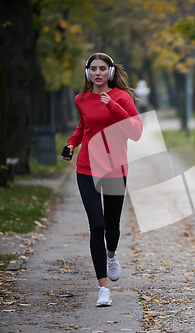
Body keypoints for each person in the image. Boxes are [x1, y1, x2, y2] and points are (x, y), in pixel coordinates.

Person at [63, 53, 143, 307]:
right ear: (88, 73)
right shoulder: (82, 99)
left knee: (112, 225)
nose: (98, 73)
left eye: (102, 69)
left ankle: (112, 255)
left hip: (114, 169)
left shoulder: (122, 98)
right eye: (93, 69)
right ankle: (103, 289)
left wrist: (112, 105)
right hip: (86, 168)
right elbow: (84, 125)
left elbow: (136, 132)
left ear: (109, 72)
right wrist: (71, 144)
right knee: (96, 225)